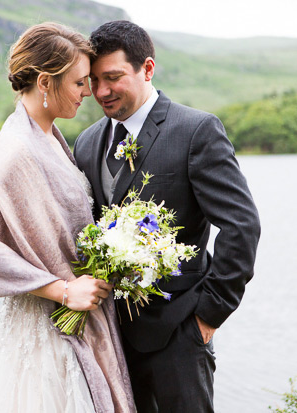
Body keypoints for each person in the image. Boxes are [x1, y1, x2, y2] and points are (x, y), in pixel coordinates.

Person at [74, 20, 261, 412]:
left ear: (147, 69)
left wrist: (209, 316)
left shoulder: (196, 130)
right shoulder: (88, 141)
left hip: (180, 332)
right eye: (93, 81)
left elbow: (241, 225)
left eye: (112, 78)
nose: (101, 92)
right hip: (110, 336)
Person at [0, 22, 136, 413]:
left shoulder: (48, 136)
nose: (88, 92)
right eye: (78, 83)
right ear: (45, 82)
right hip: (48, 330)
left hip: (72, 317)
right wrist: (62, 290)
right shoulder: (18, 150)